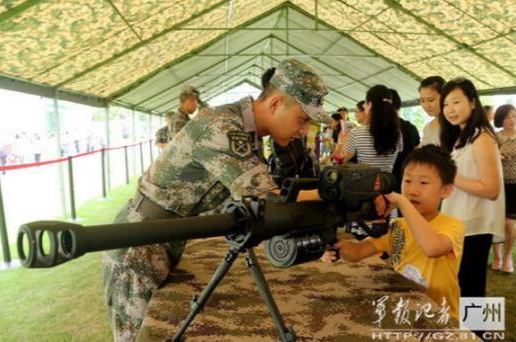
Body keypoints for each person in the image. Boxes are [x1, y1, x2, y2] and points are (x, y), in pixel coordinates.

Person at [102, 58, 330, 341]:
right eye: (303, 119)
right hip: (141, 242)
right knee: (139, 336)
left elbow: (259, 198)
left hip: (167, 235)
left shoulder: (250, 133)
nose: (303, 131)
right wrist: (334, 195)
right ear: (275, 104)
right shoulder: (222, 126)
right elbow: (267, 200)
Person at [322, 144, 464, 319]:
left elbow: (432, 248)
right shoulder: (397, 225)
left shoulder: (452, 225)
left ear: (446, 190)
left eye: (424, 183)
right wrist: (334, 242)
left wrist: (402, 202)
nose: (413, 190)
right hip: (405, 312)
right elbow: (357, 253)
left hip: (441, 316)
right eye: (408, 180)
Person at [439, 78, 505, 302]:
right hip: (460, 223)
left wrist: (449, 176)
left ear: (473, 102)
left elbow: (491, 189)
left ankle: (478, 335)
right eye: (445, 104)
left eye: (456, 102)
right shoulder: (461, 137)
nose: (450, 110)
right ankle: (468, 333)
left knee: (472, 289)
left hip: (475, 225)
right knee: (463, 287)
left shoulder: (482, 137)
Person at [343, 85, 402, 173]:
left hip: (365, 183)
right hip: (386, 183)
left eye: (365, 103)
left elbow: (345, 159)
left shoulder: (356, 133)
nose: (364, 105)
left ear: (370, 105)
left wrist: (342, 143)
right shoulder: (397, 133)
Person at [491, 104, 516, 273]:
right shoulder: (495, 137)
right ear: (500, 119)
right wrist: (498, 156)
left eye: (514, 116)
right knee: (497, 222)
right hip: (498, 183)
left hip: (515, 185)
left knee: (509, 223)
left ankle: (508, 257)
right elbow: (488, 157)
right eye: (507, 117)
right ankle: (497, 256)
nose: (511, 120)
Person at [390, 88, 421, 192]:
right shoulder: (411, 127)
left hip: (387, 182)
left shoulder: (378, 130)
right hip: (406, 179)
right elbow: (417, 151)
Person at [419, 76, 445, 146]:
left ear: (445, 97)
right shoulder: (427, 127)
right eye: (422, 101)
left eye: (431, 100)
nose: (426, 105)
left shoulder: (455, 125)